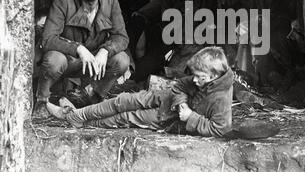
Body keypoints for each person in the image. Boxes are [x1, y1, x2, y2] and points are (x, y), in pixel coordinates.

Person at [46, 46, 233, 138]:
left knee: (127, 117)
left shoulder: (221, 98)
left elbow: (220, 129)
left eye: (199, 76)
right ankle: (77, 116)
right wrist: (181, 102)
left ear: (213, 75)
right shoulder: (200, 79)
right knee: (121, 101)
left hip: (170, 118)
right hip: (166, 98)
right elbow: (179, 86)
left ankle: (81, 121)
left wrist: (192, 117)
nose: (194, 79)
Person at [33, 0, 130, 119]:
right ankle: (41, 102)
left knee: (122, 60)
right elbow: (48, 38)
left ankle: (94, 97)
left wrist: (105, 51)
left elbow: (122, 37)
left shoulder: (111, 2)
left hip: (95, 63)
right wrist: (78, 48)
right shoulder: (63, 1)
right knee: (53, 59)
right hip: (69, 61)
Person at [131, 0, 217, 80]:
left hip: (198, 44)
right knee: (145, 71)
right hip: (175, 44)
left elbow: (211, 25)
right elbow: (169, 27)